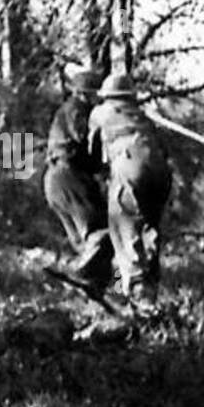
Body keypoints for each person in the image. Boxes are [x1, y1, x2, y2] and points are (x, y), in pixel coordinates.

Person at [87, 72, 172, 303]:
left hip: (129, 170)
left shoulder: (101, 113)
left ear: (108, 96)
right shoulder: (145, 118)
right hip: (161, 173)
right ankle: (150, 288)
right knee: (150, 230)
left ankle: (136, 293)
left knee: (124, 230)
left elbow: (93, 154)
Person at [44, 63, 111, 291]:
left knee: (86, 244)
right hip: (69, 176)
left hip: (56, 179)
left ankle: (94, 286)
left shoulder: (68, 110)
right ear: (87, 94)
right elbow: (86, 140)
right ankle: (78, 272)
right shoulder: (78, 111)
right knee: (102, 232)